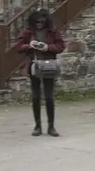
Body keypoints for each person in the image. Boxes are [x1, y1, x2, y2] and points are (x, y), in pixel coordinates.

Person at [15, 8, 66, 137]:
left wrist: (47, 47)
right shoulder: (28, 31)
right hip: (34, 66)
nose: (39, 24)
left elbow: (61, 46)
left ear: (46, 21)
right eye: (37, 22)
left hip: (49, 66)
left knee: (49, 98)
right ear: (33, 21)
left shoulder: (53, 31)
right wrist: (29, 46)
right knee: (36, 97)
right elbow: (18, 47)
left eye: (41, 22)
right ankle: (37, 126)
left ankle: (51, 126)